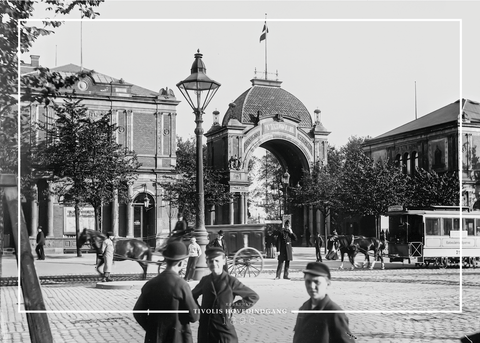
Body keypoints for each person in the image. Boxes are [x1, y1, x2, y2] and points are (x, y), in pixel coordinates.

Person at [133, 241, 199, 343]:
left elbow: (138, 312)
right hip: (177, 338)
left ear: (166, 260)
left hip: (155, 337)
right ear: (181, 263)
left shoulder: (150, 284)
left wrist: (151, 328)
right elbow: (194, 316)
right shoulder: (182, 285)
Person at [192, 247, 259, 343]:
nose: (214, 264)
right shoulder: (205, 280)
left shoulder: (231, 281)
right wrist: (199, 311)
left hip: (224, 329)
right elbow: (192, 296)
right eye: (211, 261)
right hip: (206, 328)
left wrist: (234, 307)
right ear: (207, 263)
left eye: (217, 261)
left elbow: (253, 296)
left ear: (224, 261)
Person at [293, 262, 355, 343]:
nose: (311, 286)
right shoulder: (303, 308)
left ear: (328, 283)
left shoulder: (334, 313)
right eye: (308, 281)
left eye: (316, 282)